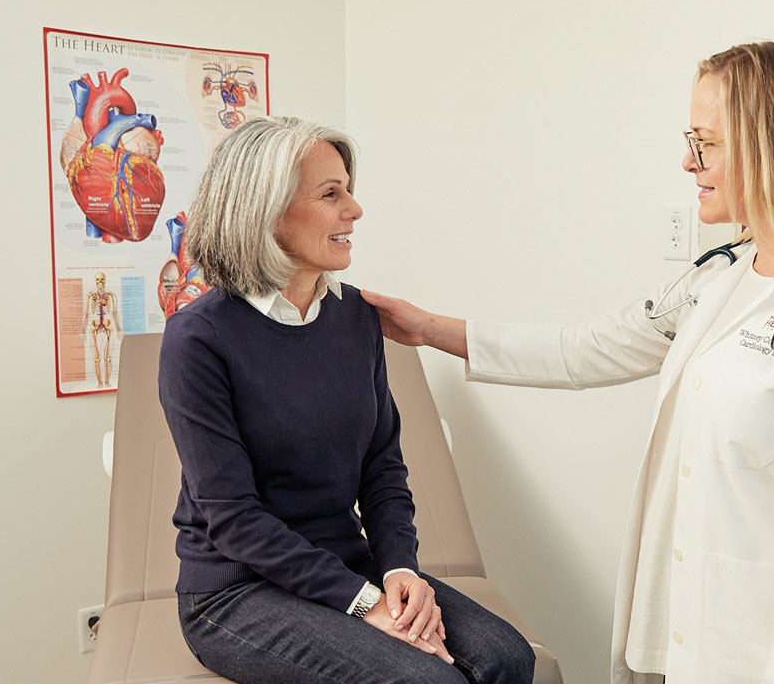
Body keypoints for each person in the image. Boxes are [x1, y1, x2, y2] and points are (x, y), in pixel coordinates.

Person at [362, 42, 774, 684]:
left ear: (771, 148)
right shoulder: (723, 276)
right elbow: (585, 347)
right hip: (678, 638)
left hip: (772, 659)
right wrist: (429, 329)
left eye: (705, 143)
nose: (687, 161)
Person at [158, 116, 536, 684]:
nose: (354, 210)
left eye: (349, 190)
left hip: (348, 564)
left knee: (509, 658)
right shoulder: (199, 338)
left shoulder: (357, 318)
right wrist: (365, 603)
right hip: (237, 592)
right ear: (266, 210)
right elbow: (233, 519)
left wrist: (400, 569)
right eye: (331, 194)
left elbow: (383, 467)